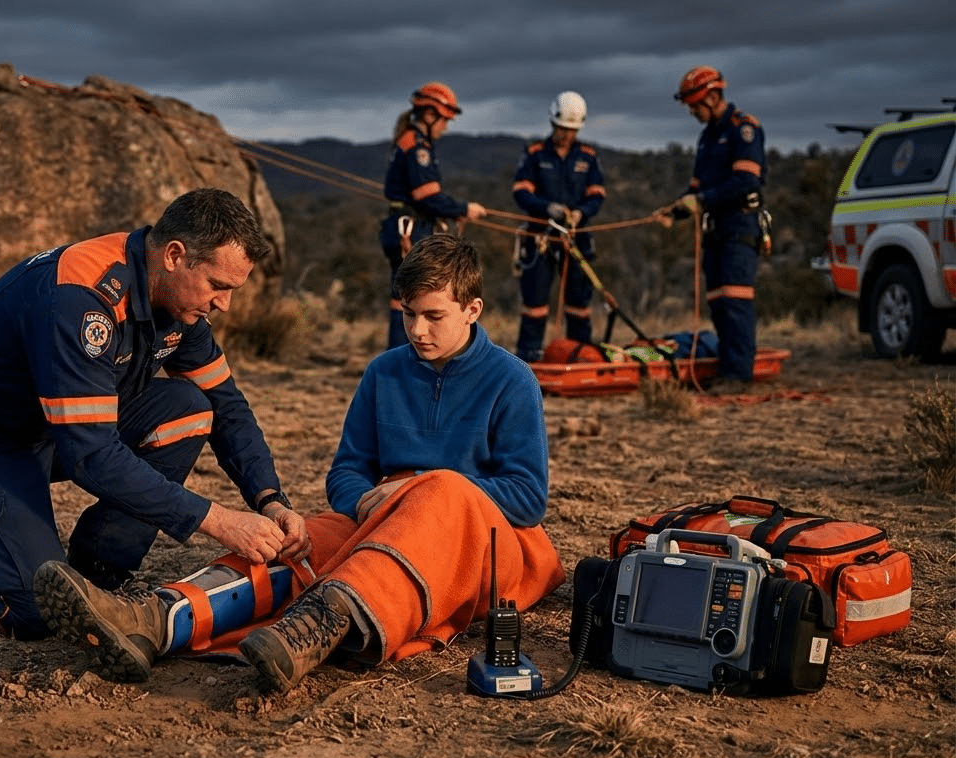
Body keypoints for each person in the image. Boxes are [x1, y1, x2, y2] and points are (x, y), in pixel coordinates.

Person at [35, 234, 565, 691]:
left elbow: (526, 497)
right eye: (408, 315)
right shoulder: (383, 373)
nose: (418, 331)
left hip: (484, 544)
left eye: (434, 316)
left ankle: (313, 625)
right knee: (299, 541)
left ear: (473, 310)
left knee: (443, 492)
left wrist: (422, 488)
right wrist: (363, 498)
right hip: (385, 524)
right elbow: (347, 473)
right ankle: (154, 618)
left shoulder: (512, 380)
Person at [0, 187, 310, 641]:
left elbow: (227, 406)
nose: (223, 304)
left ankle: (99, 571)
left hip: (48, 430)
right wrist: (219, 520)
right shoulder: (82, 297)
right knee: (32, 612)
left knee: (188, 409)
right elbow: (92, 456)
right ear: (174, 255)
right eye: (217, 285)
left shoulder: (179, 304)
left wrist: (271, 498)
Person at [655, 66, 768, 391]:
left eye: (695, 105)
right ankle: (728, 368)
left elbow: (746, 180)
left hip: (739, 225)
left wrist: (701, 200)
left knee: (735, 301)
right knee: (718, 302)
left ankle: (738, 375)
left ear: (713, 96)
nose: (692, 112)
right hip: (714, 229)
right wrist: (675, 210)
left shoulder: (743, 128)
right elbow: (695, 190)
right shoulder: (706, 138)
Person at [378, 82, 487, 349]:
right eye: (443, 120)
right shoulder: (417, 147)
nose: (445, 127)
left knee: (408, 296)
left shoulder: (414, 142)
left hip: (408, 225)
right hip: (411, 229)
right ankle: (404, 360)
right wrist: (464, 208)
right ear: (429, 115)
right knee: (412, 298)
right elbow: (428, 197)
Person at [511, 91, 607, 363]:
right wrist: (547, 208)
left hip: (577, 238)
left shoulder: (588, 157)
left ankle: (580, 357)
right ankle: (528, 360)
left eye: (572, 130)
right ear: (553, 123)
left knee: (579, 305)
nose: (567, 135)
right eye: (563, 128)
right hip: (540, 237)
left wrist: (581, 213)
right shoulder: (534, 154)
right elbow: (520, 192)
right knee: (535, 305)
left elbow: (597, 195)